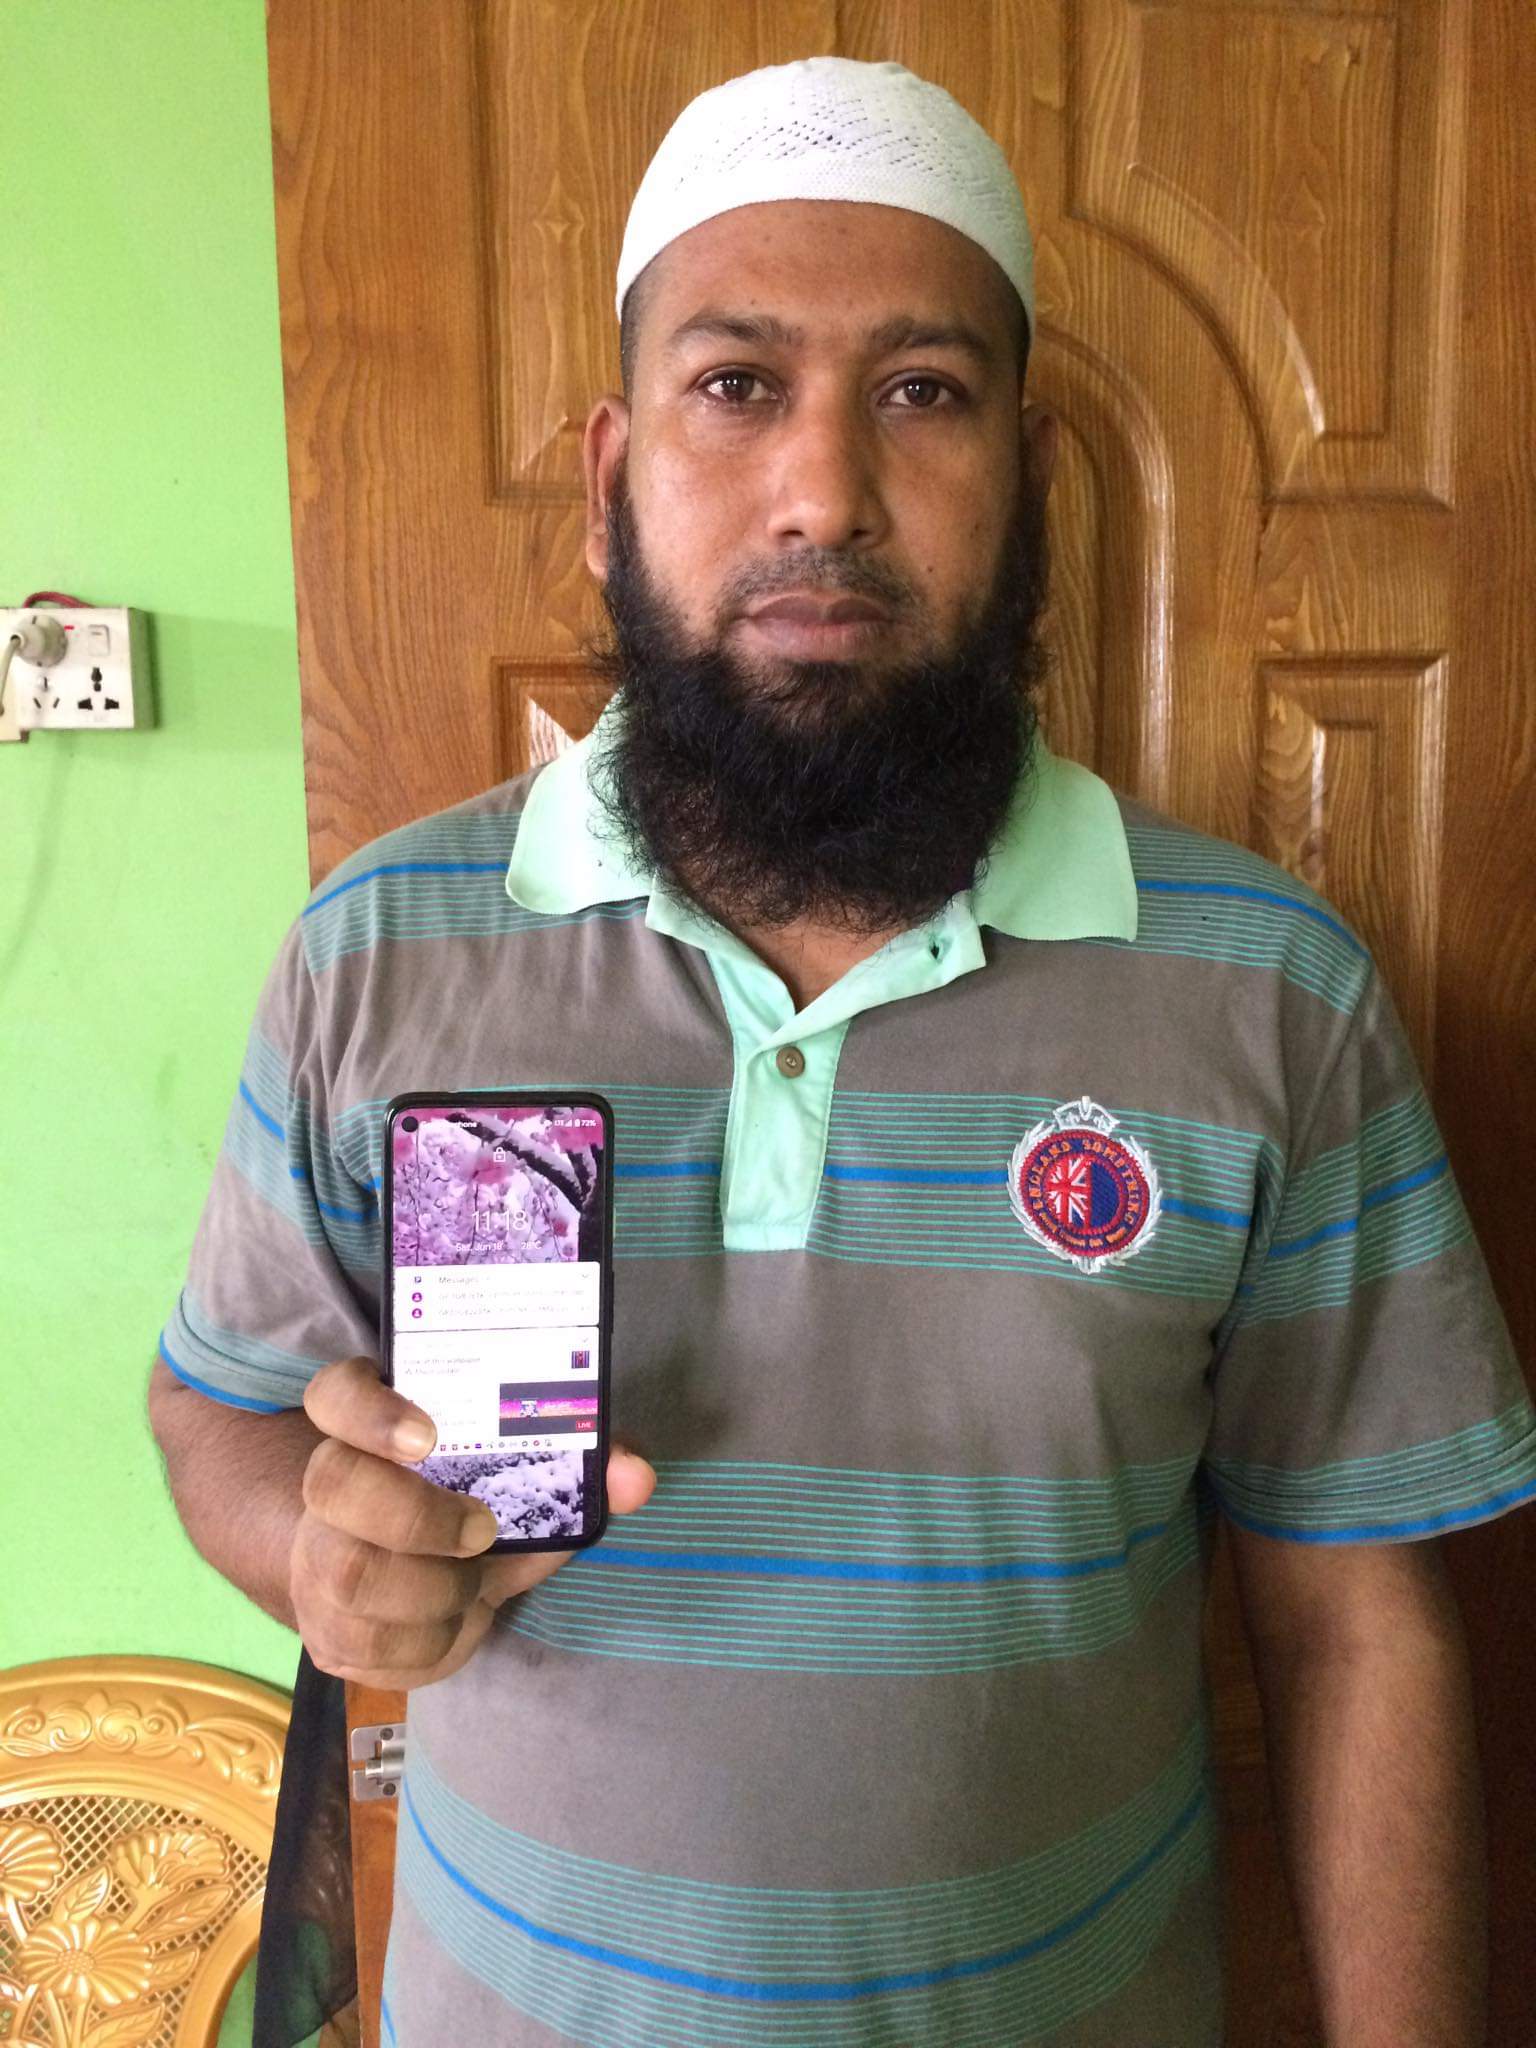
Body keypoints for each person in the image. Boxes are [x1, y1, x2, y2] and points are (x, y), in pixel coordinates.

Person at [148, 55, 1536, 2048]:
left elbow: (1357, 1622)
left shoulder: (1269, 990)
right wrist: (315, 1550)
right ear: (613, 473)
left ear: (1025, 472)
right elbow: (218, 1412)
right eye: (737, 385)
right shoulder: (381, 951)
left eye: (921, 392)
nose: (825, 493)